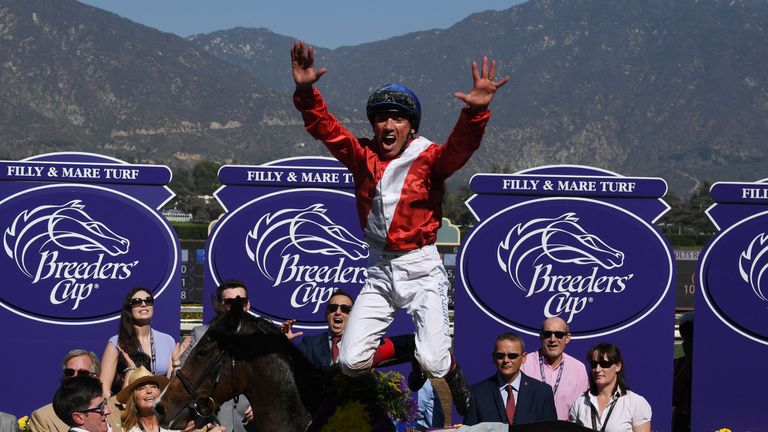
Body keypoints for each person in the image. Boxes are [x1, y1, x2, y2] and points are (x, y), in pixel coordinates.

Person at [290, 40, 509, 414]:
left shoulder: (429, 157)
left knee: (436, 363)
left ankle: (447, 368)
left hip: (421, 269)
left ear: (411, 126)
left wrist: (475, 114)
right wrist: (306, 91)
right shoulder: (362, 155)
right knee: (350, 361)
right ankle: (407, 348)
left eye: (398, 118)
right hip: (378, 270)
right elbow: (326, 130)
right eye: (380, 118)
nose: (388, 125)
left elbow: (460, 148)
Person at [180, 280, 254, 431]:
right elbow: (186, 379)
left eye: (241, 301)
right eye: (229, 302)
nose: (236, 306)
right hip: (212, 422)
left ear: (248, 305)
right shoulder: (201, 334)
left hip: (250, 424)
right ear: (220, 305)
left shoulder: (261, 337)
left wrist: (261, 402)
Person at [100, 287, 180, 396]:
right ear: (129, 308)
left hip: (159, 407)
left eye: (148, 301)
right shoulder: (116, 343)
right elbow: (104, 389)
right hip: (128, 408)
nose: (143, 304)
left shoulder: (168, 340)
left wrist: (176, 364)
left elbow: (170, 384)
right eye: (137, 302)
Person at [464, 333, 557, 425]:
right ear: (493, 357)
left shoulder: (542, 392)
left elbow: (551, 429)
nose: (506, 360)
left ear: (524, 358)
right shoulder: (477, 393)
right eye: (500, 356)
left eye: (512, 356)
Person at [569, 343, 652, 432]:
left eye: (604, 364)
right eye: (594, 364)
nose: (598, 369)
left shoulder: (635, 403)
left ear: (618, 366)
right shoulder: (579, 404)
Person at [520, 317, 589, 420]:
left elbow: (582, 412)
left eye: (559, 335)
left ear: (567, 338)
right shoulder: (524, 364)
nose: (553, 339)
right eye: (547, 334)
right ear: (541, 336)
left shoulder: (578, 368)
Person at [30, 350, 102, 432]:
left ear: (95, 377)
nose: (74, 377)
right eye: (69, 372)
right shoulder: (44, 417)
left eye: (82, 373)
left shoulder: (113, 410)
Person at [672, 312, 693, 432]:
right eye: (688, 343)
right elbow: (674, 395)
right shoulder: (678, 363)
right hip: (682, 420)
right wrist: (689, 363)